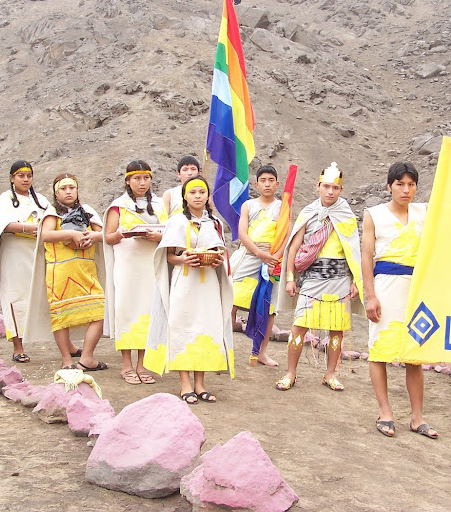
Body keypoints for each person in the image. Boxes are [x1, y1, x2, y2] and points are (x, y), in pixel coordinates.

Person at [362, 162, 437, 439]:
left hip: (417, 289)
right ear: (389, 185)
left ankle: (417, 417)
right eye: (400, 184)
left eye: (411, 184)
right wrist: (369, 295)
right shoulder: (374, 215)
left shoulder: (425, 212)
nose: (406, 190)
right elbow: (367, 257)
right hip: (386, 285)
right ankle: (385, 412)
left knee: (414, 354)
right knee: (380, 349)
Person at [144, 175, 234, 404]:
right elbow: (169, 256)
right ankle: (185, 384)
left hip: (208, 285)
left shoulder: (214, 222)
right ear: (185, 195)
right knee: (183, 328)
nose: (197, 196)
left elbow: (220, 252)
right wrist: (183, 259)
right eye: (193, 192)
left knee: (206, 328)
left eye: (202, 192)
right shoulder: (176, 221)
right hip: (184, 284)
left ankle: (200, 384)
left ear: (207, 196)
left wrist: (216, 260)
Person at [275, 162, 363, 392]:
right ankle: (291, 373)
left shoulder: (346, 216)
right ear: (318, 187)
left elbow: (353, 250)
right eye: (326, 186)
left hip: (340, 278)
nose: (330, 191)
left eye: (335, 188)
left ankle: (330, 374)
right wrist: (290, 278)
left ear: (341, 190)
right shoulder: (309, 212)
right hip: (312, 277)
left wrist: (356, 280)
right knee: (299, 326)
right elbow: (294, 247)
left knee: (337, 329)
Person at [24, 173, 107, 371]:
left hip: (86, 269)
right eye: (63, 188)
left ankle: (86, 357)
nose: (68, 192)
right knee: (61, 315)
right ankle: (66, 359)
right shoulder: (52, 212)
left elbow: (103, 234)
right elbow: (45, 235)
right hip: (60, 270)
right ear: (56, 192)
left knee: (99, 312)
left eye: (72, 188)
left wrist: (92, 237)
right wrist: (71, 233)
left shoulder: (87, 211)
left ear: (77, 190)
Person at [0, 161, 52, 364]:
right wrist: (28, 228)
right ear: (12, 178)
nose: (26, 179)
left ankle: (64, 344)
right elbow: (2, 225)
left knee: (46, 295)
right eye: (21, 175)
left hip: (38, 252)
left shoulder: (42, 200)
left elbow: (51, 221)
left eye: (29, 175)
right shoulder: (6, 199)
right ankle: (18, 347)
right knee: (15, 296)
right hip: (15, 253)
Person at [103, 160, 167, 385]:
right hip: (128, 266)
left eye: (146, 178)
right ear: (128, 181)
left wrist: (158, 236)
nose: (142, 183)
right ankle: (126, 365)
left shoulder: (160, 205)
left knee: (148, 312)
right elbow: (108, 236)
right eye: (137, 178)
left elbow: (170, 231)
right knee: (127, 310)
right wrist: (123, 233)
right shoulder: (119, 206)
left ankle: (143, 364)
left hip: (150, 265)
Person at [229, 165, 284, 366]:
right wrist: (259, 253)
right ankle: (224, 346)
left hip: (272, 259)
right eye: (263, 180)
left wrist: (274, 258)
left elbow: (286, 235)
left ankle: (261, 351)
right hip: (249, 255)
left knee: (269, 307)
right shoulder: (248, 206)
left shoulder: (282, 207)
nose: (267, 184)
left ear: (277, 184)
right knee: (230, 299)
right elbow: (242, 233)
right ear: (256, 184)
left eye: (271, 180)